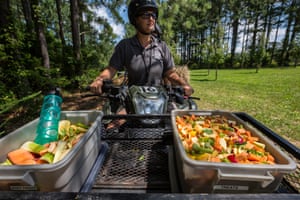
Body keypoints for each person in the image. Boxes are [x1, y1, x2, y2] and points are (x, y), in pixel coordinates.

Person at [90, 0, 194, 97]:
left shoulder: (162, 46)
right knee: (118, 117)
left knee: (179, 115)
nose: (151, 19)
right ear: (135, 19)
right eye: (146, 15)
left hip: (159, 98)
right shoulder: (125, 45)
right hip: (132, 100)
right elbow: (111, 69)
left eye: (153, 15)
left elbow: (170, 73)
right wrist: (99, 80)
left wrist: (184, 84)